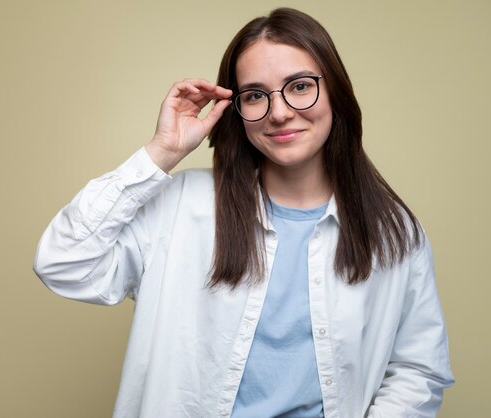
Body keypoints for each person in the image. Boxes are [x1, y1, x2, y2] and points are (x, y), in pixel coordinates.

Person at [33, 7, 454, 418]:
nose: (280, 112)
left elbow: (418, 369)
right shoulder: (181, 206)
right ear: (236, 110)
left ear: (335, 91)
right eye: (255, 95)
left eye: (300, 85)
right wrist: (162, 152)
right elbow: (63, 263)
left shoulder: (395, 231)